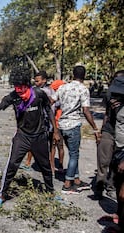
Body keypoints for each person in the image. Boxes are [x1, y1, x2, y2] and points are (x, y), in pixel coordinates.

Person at [0, 66, 59, 206]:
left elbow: (49, 110)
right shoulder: (13, 97)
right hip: (22, 137)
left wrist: (55, 131)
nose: (18, 90)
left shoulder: (39, 94)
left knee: (46, 167)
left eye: (21, 87)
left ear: (27, 84)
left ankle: (51, 193)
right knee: (12, 165)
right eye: (15, 87)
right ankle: (2, 195)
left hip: (40, 136)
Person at [51, 65, 100, 194]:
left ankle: (77, 181)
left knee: (73, 154)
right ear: (84, 76)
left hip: (61, 125)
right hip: (73, 125)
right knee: (74, 155)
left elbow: (51, 101)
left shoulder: (63, 87)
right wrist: (95, 128)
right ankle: (68, 185)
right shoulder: (83, 89)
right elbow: (86, 110)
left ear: (73, 74)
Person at [93, 72, 124, 200]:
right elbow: (106, 114)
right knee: (103, 160)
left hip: (121, 134)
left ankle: (111, 187)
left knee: (117, 163)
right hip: (109, 130)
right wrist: (100, 132)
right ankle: (99, 186)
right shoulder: (109, 95)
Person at [20, 71, 55, 172]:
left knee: (46, 143)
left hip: (45, 121)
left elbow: (52, 104)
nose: (36, 83)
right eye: (35, 81)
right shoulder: (42, 90)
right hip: (41, 120)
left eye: (37, 81)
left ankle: (48, 165)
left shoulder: (46, 91)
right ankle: (31, 162)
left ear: (44, 80)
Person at [107, 71, 124, 231]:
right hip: (119, 149)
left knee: (123, 193)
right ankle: (119, 213)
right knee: (118, 184)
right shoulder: (118, 106)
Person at [50, 80, 66, 173]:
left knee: (54, 146)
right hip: (60, 123)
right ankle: (59, 165)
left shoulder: (57, 98)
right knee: (59, 146)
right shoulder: (64, 96)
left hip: (57, 124)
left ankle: (53, 165)